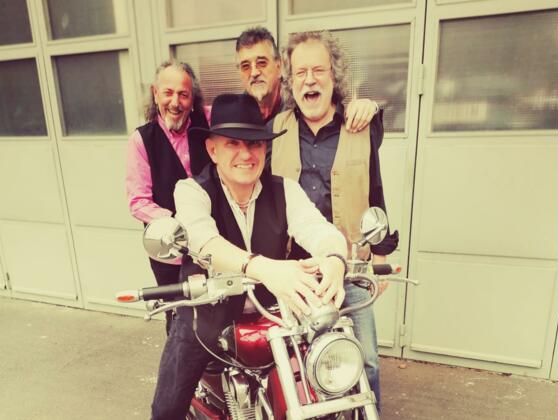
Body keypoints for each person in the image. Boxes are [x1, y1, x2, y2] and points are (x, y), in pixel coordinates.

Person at [150, 93, 349, 420]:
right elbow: (204, 242)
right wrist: (266, 269)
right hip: (205, 318)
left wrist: (334, 260)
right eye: (233, 143)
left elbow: (318, 229)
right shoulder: (191, 190)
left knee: (324, 388)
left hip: (274, 317)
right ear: (213, 150)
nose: (246, 154)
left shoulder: (285, 189)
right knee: (167, 409)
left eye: (255, 144)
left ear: (265, 148)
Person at [270, 30, 400, 412]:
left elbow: (375, 190)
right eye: (300, 72)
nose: (309, 80)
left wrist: (380, 258)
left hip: (352, 267)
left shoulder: (360, 124)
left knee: (365, 360)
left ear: (333, 76)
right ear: (290, 81)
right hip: (298, 271)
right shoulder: (274, 129)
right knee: (298, 363)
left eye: (318, 70)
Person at [125, 60, 210, 334]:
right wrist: (179, 223)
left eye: (183, 94)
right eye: (168, 93)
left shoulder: (209, 121)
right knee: (178, 321)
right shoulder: (142, 140)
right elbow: (138, 201)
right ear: (155, 93)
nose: (175, 102)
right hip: (170, 252)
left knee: (217, 314)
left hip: (212, 245)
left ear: (193, 98)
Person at [236, 26, 379, 130]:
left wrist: (367, 108)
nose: (254, 72)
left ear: (279, 67)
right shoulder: (234, 115)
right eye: (245, 66)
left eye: (261, 63)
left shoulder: (300, 102)